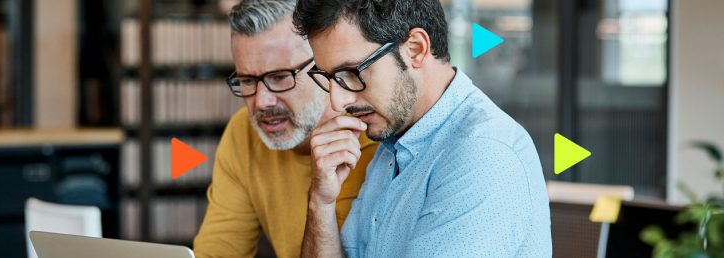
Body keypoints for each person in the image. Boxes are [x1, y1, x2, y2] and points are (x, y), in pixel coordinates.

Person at [293, 0, 552, 257]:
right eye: (330, 78)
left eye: (351, 72)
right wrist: (320, 203)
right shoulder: (393, 144)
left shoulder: (484, 154)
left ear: (416, 49)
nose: (338, 101)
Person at [193, 1, 378, 257]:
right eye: (247, 80)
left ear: (322, 66)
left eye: (280, 77)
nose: (261, 102)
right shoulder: (242, 133)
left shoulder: (378, 136)